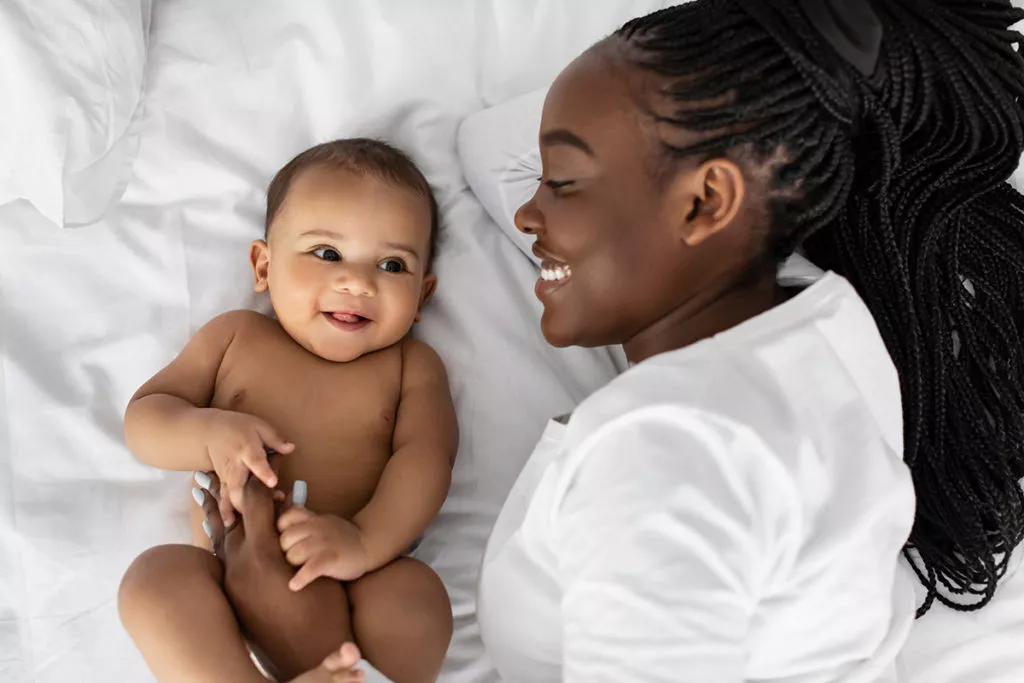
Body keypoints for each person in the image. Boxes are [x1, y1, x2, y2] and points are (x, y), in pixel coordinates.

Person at [471, 0, 1024, 680]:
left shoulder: (662, 454)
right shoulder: (822, 309)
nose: (528, 210)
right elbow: (489, 150)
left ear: (706, 202)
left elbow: (486, 148)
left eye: (561, 183)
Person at [117, 139, 459, 683]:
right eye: (327, 254)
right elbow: (144, 420)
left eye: (393, 265)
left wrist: (364, 542)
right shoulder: (235, 336)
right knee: (154, 578)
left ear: (422, 297)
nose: (358, 282)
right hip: (227, 580)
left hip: (354, 580)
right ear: (264, 265)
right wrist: (210, 433)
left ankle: (362, 677)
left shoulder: (411, 367)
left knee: (416, 594)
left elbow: (427, 462)